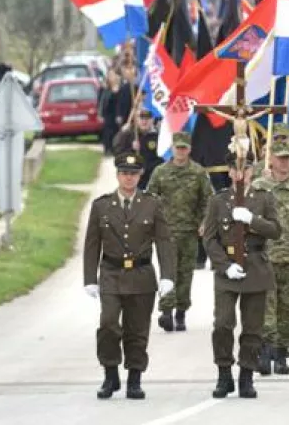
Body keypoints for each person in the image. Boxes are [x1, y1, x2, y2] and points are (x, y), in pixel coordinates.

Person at [83, 152, 176, 400]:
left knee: (137, 330)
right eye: (124, 173)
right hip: (112, 274)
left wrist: (168, 275)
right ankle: (110, 373)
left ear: (140, 175)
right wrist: (89, 278)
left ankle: (134, 378)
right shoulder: (101, 205)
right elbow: (92, 244)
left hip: (141, 275)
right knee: (108, 324)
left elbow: (164, 241)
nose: (129, 178)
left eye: (133, 174)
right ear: (117, 175)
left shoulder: (152, 204)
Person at [203, 151, 280, 399]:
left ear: (251, 172)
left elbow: (276, 231)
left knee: (253, 328)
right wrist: (224, 265)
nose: (240, 174)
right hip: (228, 270)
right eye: (236, 170)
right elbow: (209, 238)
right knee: (223, 324)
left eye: (245, 169)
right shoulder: (218, 201)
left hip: (256, 268)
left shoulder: (264, 198)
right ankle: (224, 374)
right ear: (229, 172)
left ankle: (246, 375)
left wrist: (252, 219)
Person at [251, 141, 289, 375]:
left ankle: (281, 352)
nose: (284, 162)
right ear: (271, 160)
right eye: (280, 158)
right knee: (266, 309)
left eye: (288, 158)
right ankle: (265, 351)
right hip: (265, 258)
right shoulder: (259, 187)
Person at [147, 132, 213, 333]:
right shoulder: (160, 172)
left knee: (185, 274)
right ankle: (166, 311)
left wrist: (205, 222)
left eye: (184, 148)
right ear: (172, 148)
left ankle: (181, 312)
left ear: (189, 149)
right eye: (178, 148)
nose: (181, 151)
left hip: (190, 232)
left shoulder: (198, 173)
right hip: (166, 233)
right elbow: (150, 198)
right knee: (168, 272)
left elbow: (208, 200)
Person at [113, 107, 162, 190]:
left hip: (152, 181)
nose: (144, 121)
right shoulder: (129, 134)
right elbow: (118, 153)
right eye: (141, 118)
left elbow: (161, 160)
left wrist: (145, 168)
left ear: (153, 119)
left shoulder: (158, 137)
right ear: (136, 119)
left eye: (148, 118)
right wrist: (131, 149)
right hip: (131, 180)